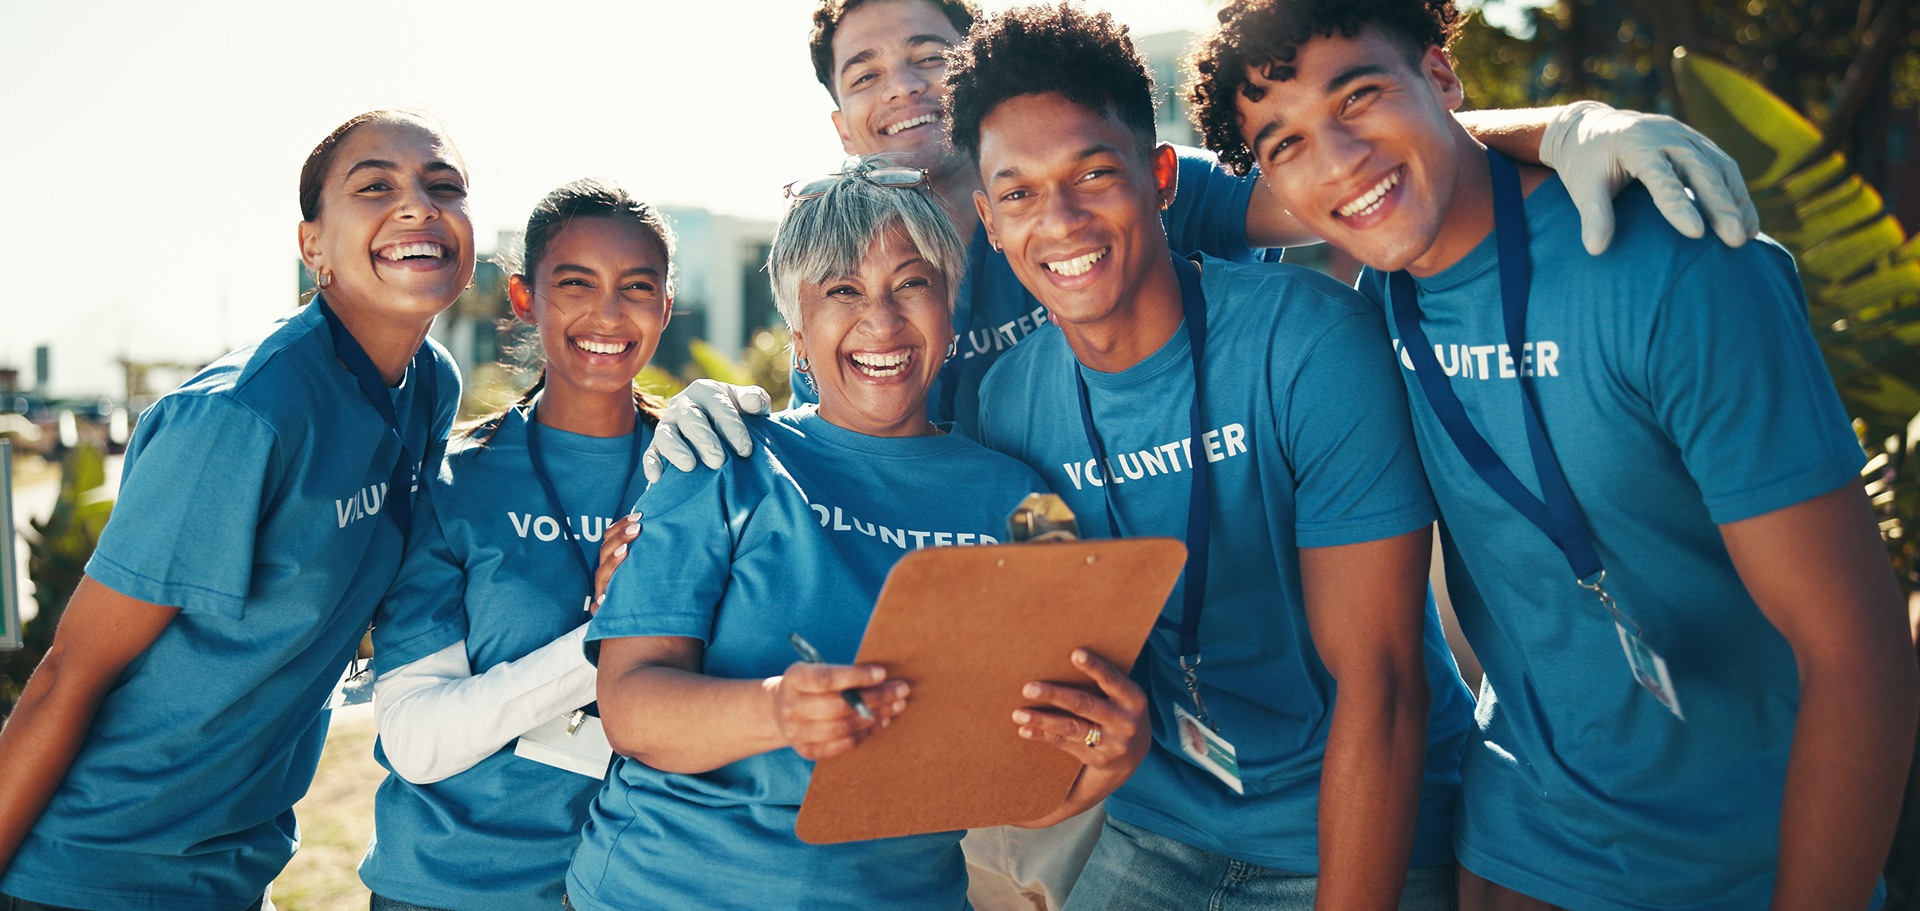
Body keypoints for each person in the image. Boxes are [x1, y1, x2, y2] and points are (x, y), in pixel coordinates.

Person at [1186, 1, 1920, 909]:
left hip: (1753, 858)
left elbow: (1861, 653)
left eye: (1360, 96)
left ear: (1443, 78)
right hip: (1518, 847)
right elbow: (1124, 201)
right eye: (1284, 144)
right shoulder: (1376, 296)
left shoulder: (1678, 269)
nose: (1337, 160)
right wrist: (1559, 122)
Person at [940, 7, 1475, 909]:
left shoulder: (1308, 344)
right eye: (1020, 194)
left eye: (1093, 174)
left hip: (1352, 817)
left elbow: (1381, 688)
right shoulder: (1005, 406)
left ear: (1158, 177)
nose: (1060, 220)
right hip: (1161, 825)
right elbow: (1049, 639)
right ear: (990, 222)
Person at [564, 156, 1150, 911]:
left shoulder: (1027, 503)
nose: (882, 319)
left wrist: (1107, 760)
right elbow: (631, 709)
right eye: (843, 289)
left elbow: (1016, 788)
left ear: (949, 306)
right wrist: (777, 709)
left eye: (911, 283)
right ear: (798, 330)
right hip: (663, 891)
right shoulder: (719, 458)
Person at [0, 110, 469, 911]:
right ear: (312, 246)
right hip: (96, 871)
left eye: (443, 186)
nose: (418, 205)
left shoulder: (429, 385)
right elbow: (66, 675)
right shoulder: (240, 417)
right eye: (375, 186)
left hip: (233, 867)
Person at [354, 179, 673, 911]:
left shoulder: (697, 474)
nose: (607, 313)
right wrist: (604, 639)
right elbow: (417, 740)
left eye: (636, 286)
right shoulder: (453, 481)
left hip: (632, 885)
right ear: (525, 298)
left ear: (663, 305)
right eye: (576, 283)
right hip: (447, 887)